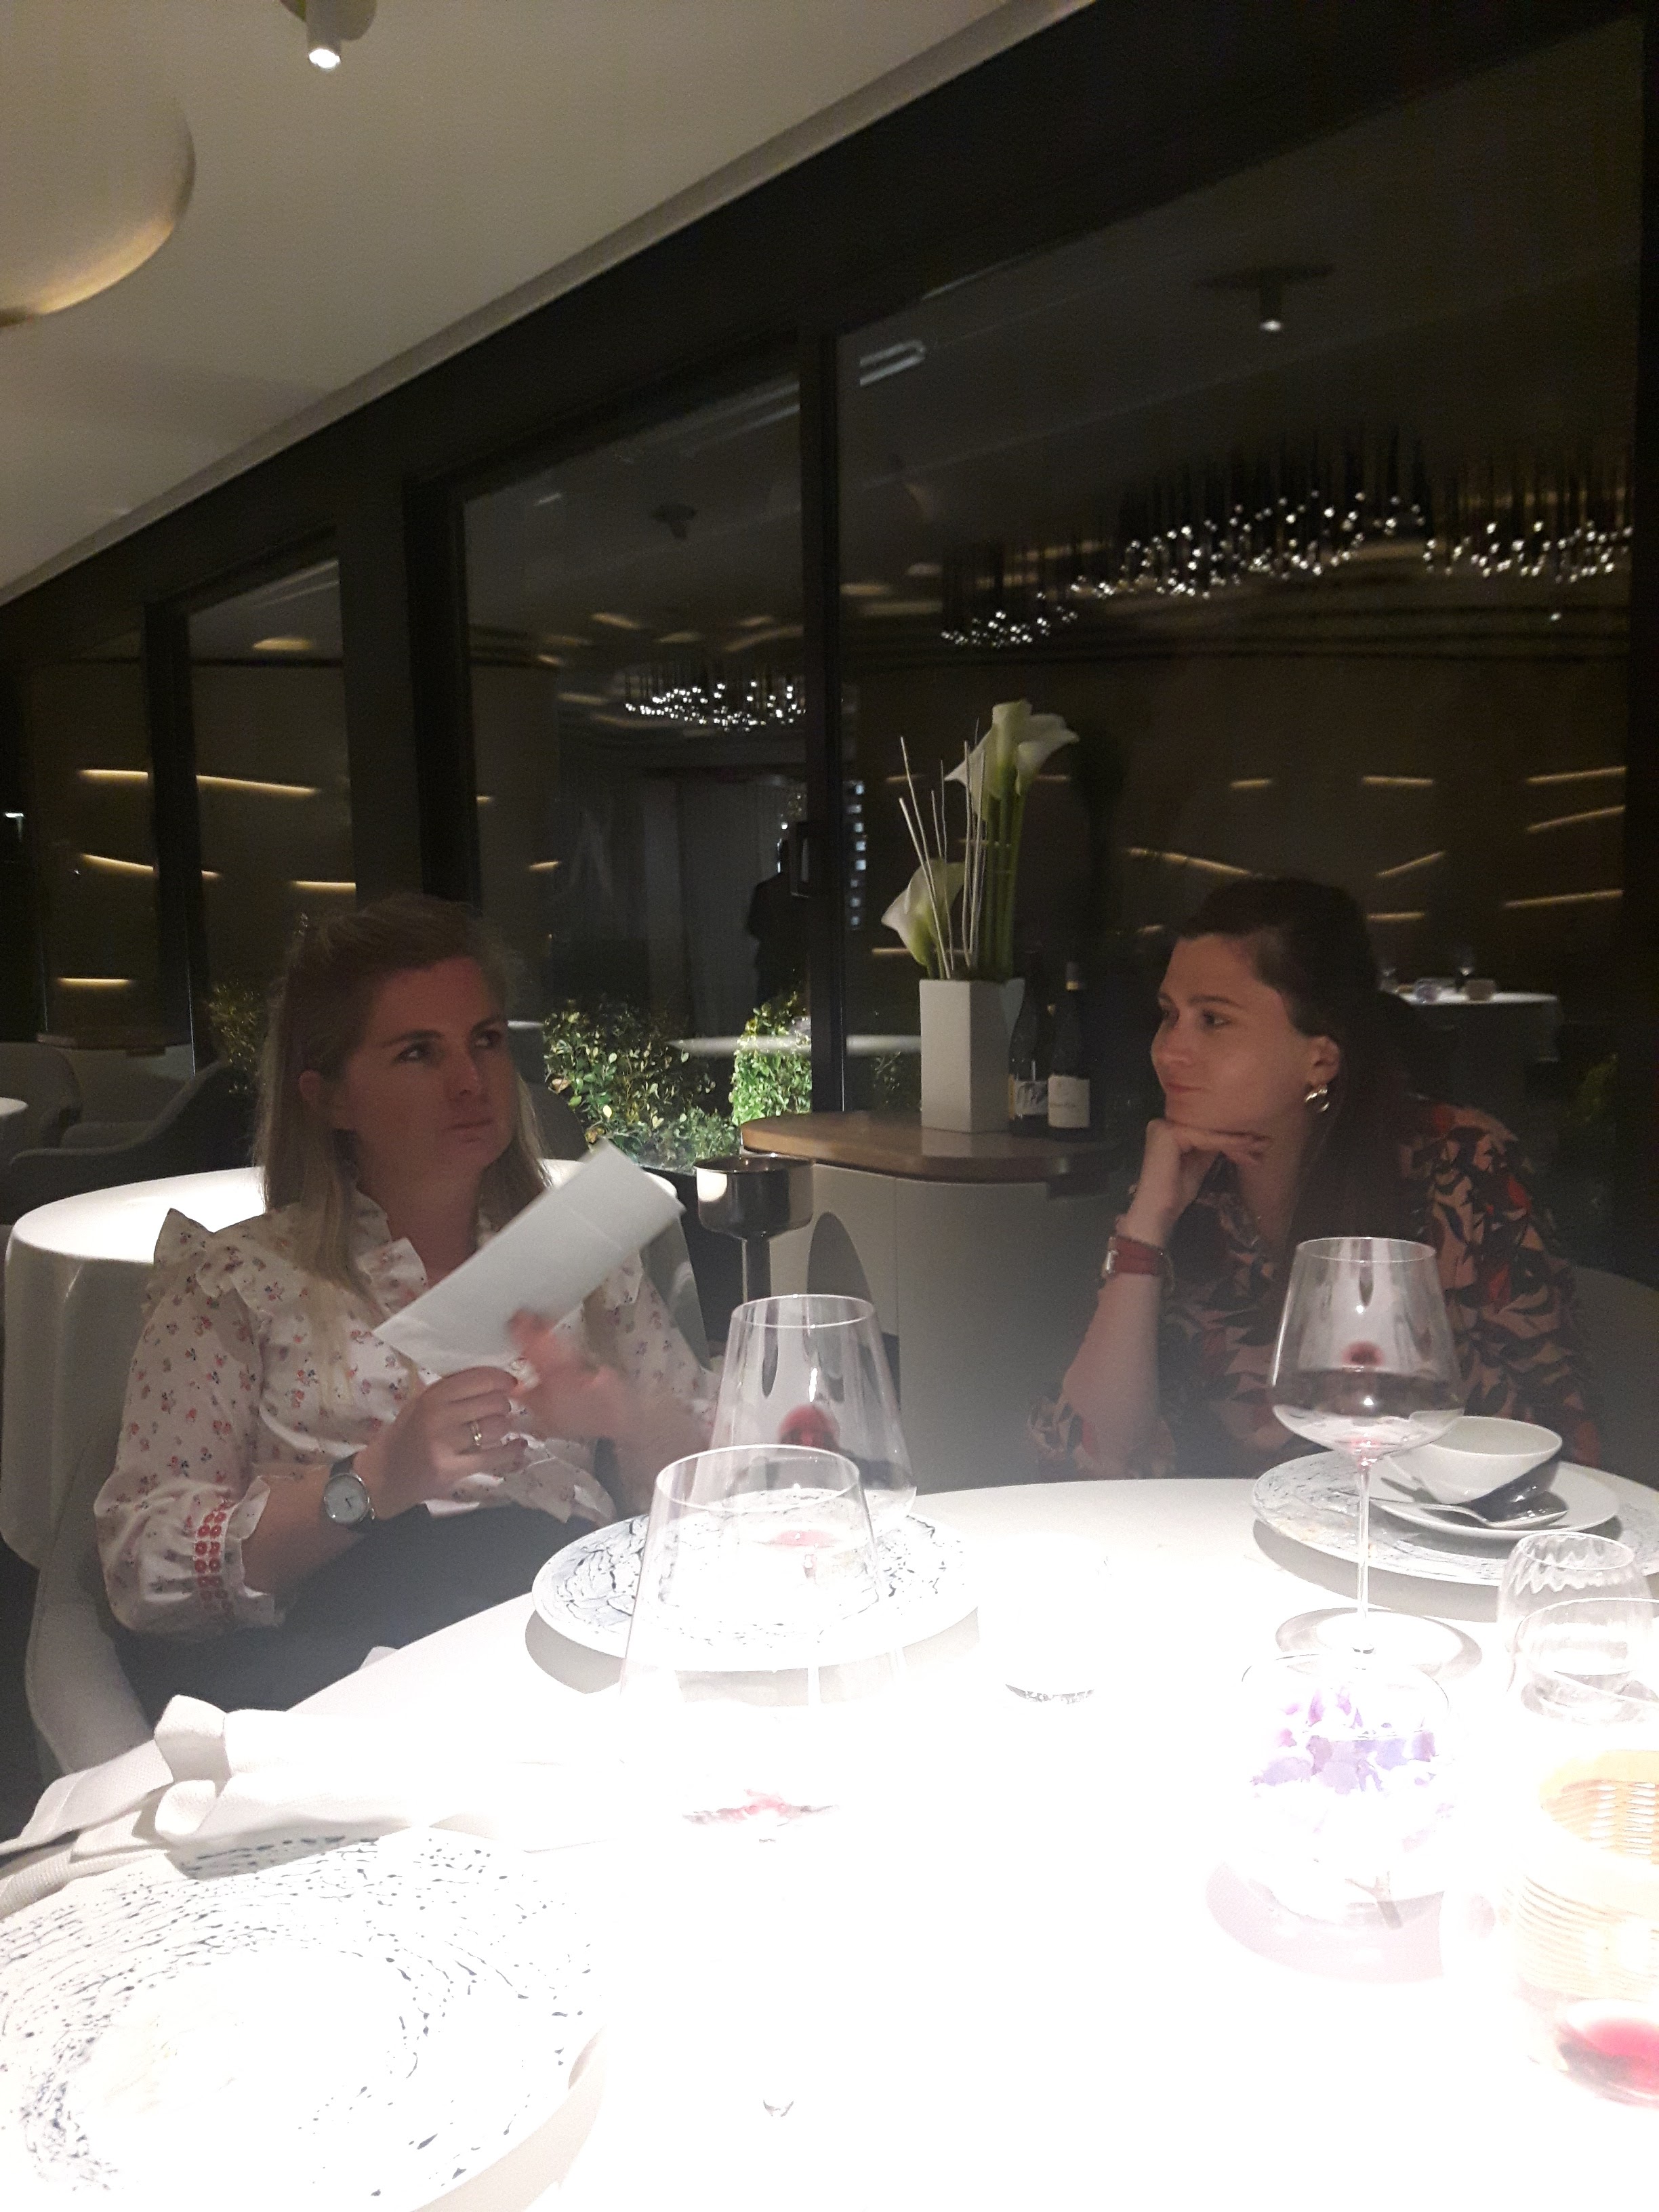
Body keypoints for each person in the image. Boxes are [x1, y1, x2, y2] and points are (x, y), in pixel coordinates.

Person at [97, 894, 713, 1717]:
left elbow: (722, 1500)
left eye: (485, 1041)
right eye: (418, 1053)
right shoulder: (234, 1282)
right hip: (355, 1673)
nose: (470, 1082)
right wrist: (374, 1480)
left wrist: (624, 1416)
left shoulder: (583, 1257)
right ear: (330, 1099)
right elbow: (141, 1568)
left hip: (575, 1644)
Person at [1036, 877, 1596, 1482]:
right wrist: (1146, 1227)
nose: (1169, 1051)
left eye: (1213, 1020)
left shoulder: (1461, 1170)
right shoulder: (1185, 1182)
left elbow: (1548, 1446)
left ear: (1320, 1058)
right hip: (1208, 1534)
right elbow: (1088, 1454)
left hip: (1411, 1534)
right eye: (1170, 1015)